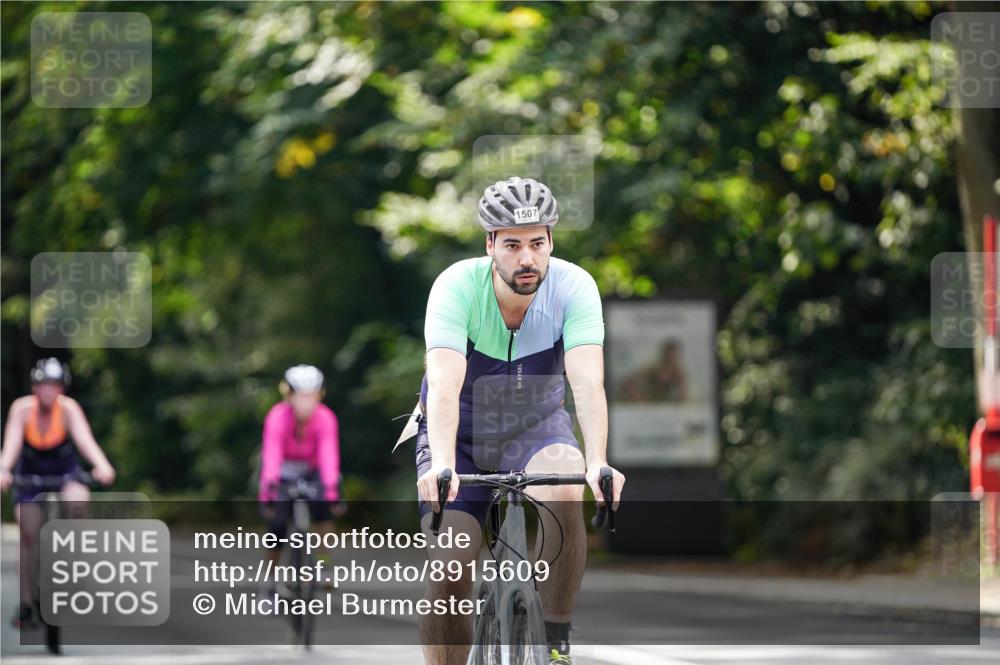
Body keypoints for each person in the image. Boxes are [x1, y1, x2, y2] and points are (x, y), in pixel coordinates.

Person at [412, 176, 625, 665]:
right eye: (511, 245)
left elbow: (588, 383)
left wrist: (598, 462)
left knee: (567, 486)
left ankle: (556, 641)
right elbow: (443, 385)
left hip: (537, 428)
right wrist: (441, 462)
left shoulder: (574, 287)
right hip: (460, 434)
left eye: (536, 243)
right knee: (450, 569)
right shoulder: (456, 287)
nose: (526, 259)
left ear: (551, 241)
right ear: (490, 246)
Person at [0, 357, 116, 627]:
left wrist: (102, 465)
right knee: (28, 533)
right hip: (29, 477)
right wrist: (3, 470)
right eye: (42, 385)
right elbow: (11, 446)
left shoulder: (69, 410)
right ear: (34, 387)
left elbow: (86, 441)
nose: (47, 391)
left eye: (53, 386)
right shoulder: (22, 410)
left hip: (65, 473)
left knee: (77, 500)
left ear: (61, 388)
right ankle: (27, 604)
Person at [258, 364, 342, 583]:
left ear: (319, 395)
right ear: (289, 396)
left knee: (324, 511)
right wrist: (269, 490)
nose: (305, 402)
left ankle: (324, 565)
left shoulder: (325, 418)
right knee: (277, 525)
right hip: (282, 472)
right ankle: (270, 582)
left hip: (312, 470)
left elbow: (328, 455)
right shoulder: (277, 417)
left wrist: (332, 489)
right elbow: (272, 454)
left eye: (311, 396)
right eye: (300, 396)